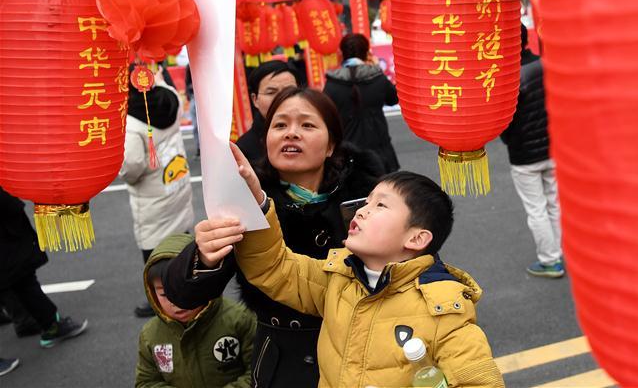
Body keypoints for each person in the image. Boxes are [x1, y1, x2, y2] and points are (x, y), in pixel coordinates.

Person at [162, 88, 384, 388]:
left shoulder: (368, 195)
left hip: (367, 353)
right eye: (279, 125)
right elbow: (183, 295)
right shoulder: (245, 200)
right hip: (283, 363)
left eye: (307, 125)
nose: (291, 133)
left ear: (331, 144)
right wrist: (202, 255)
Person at [204, 169, 504, 388]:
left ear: (417, 238)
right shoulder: (339, 278)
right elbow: (273, 267)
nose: (361, 211)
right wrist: (257, 201)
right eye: (366, 202)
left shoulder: (444, 309)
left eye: (380, 205)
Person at [121, 64, 195, 317]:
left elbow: (131, 167)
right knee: (181, 241)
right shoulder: (170, 98)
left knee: (154, 250)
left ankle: (162, 297)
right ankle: (188, 286)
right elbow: (163, 83)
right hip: (177, 183)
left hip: (152, 196)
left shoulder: (130, 121)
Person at [136, 233, 256, 388]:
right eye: (165, 294)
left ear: (204, 282)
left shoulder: (239, 318)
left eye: (184, 291)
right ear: (152, 293)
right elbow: (145, 382)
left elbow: (258, 371)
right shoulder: (150, 334)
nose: (176, 302)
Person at [499, 24, 564, 278]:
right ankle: (559, 252)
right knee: (554, 203)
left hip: (524, 154)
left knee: (536, 208)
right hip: (554, 146)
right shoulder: (545, 65)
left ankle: (550, 260)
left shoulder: (507, 76)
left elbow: (504, 119)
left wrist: (508, 138)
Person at [0, 187, 88, 349]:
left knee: (18, 278)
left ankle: (34, 322)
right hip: (7, 230)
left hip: (9, 229)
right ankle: (50, 325)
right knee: (23, 278)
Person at [323, 33, 400, 172]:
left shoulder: (332, 84)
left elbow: (325, 116)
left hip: (347, 154)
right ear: (367, 52)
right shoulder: (377, 78)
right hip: (380, 151)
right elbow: (393, 99)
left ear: (341, 53)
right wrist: (376, 67)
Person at [235, 61, 299, 165]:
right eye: (271, 92)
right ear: (255, 99)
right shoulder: (243, 149)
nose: (282, 98)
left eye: (290, 91)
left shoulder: (316, 134)